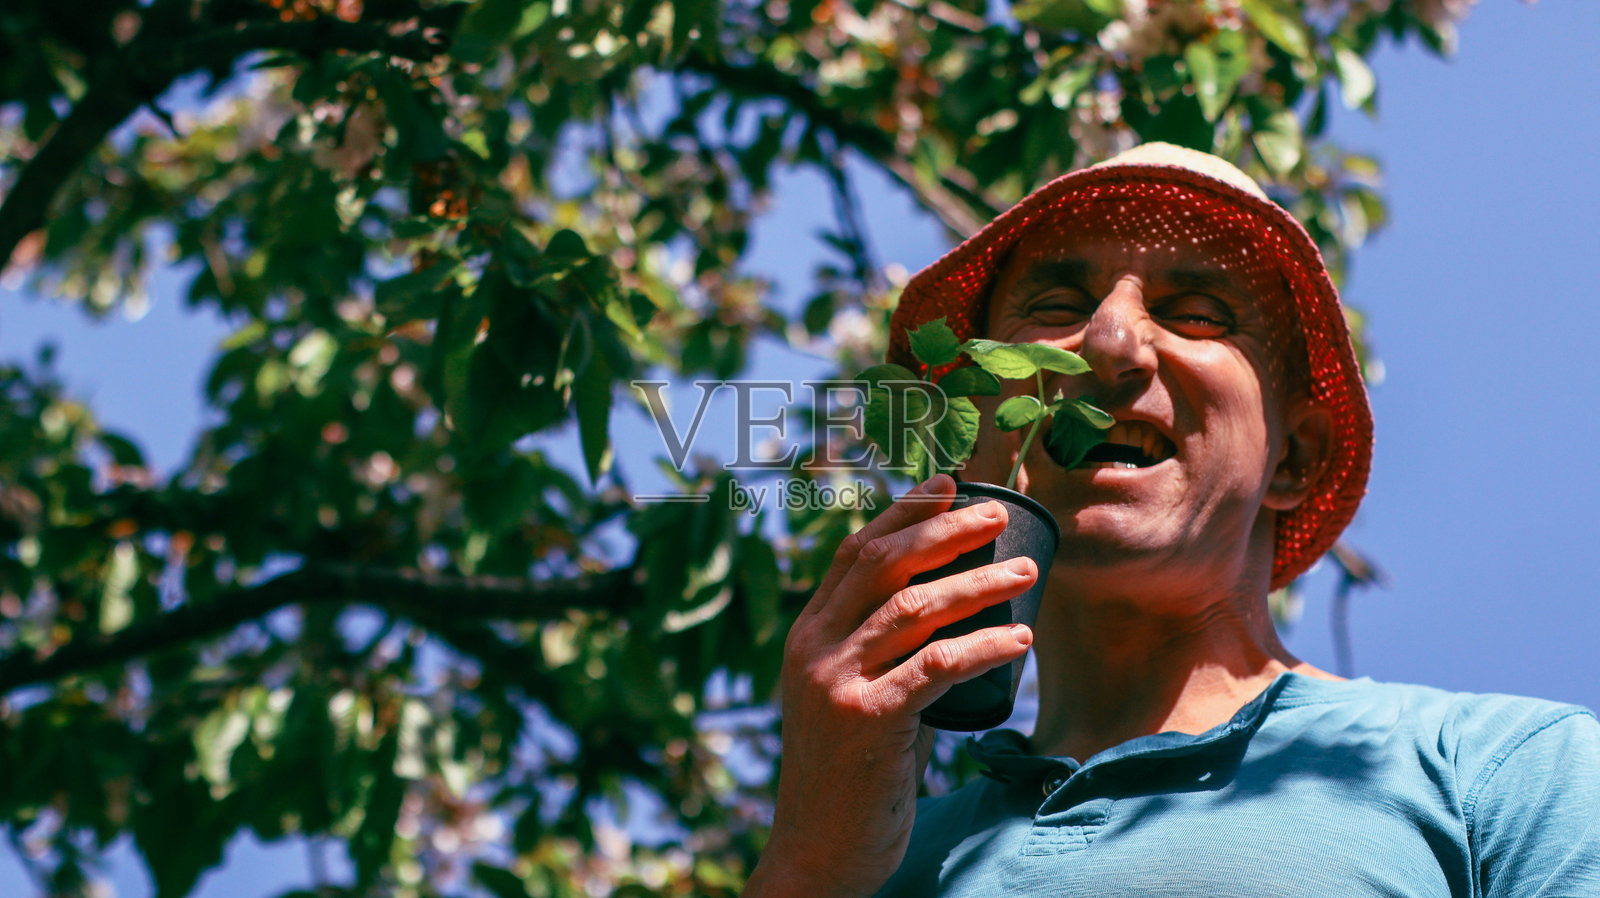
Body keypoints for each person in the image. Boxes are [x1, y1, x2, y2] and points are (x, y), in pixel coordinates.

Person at [742, 143, 1600, 896]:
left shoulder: (1502, 772)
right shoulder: (873, 860)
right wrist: (808, 867)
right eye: (1053, 308)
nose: (1110, 341)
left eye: (1197, 314)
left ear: (1293, 458)